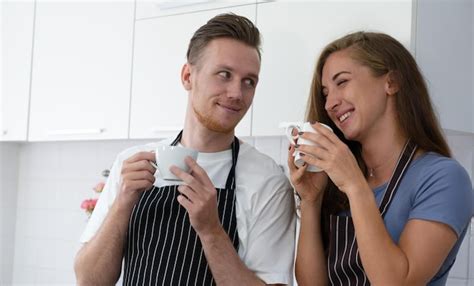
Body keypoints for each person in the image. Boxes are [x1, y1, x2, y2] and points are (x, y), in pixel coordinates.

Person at [74, 13, 295, 286]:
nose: (237, 93)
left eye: (249, 81)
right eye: (224, 75)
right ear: (188, 76)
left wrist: (211, 230)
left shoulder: (268, 182)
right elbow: (89, 280)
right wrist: (123, 204)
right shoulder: (131, 164)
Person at [289, 31, 473, 286]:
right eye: (325, 93)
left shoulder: (444, 178)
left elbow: (396, 282)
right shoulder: (338, 179)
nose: (330, 103)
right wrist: (311, 201)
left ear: (392, 82)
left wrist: (354, 185)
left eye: (342, 82)